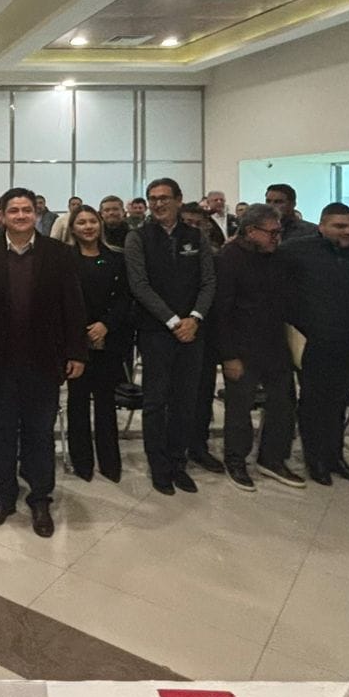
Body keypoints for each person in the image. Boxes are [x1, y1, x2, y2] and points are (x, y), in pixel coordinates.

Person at [0, 188, 86, 536]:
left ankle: (40, 497)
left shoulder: (59, 253)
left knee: (40, 432)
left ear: (36, 214)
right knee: (1, 430)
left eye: (26, 210)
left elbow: (73, 305)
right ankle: (5, 493)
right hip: (0, 362)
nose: (21, 216)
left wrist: (76, 352)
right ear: (2, 215)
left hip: (45, 360)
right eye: (14, 210)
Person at [125, 177, 218, 495]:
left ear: (179, 200)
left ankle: (178, 462)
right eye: (153, 198)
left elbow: (208, 282)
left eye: (164, 197)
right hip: (156, 332)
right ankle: (159, 466)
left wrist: (195, 318)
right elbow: (139, 285)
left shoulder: (195, 236)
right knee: (156, 402)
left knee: (185, 401)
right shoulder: (138, 237)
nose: (158, 203)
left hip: (193, 331)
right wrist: (174, 321)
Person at [280, 203, 349, 486]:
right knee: (313, 403)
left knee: (339, 401)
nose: (347, 231)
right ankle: (315, 460)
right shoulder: (295, 251)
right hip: (309, 340)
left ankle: (335, 457)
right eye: (339, 226)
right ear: (322, 226)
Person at [213, 204, 304, 491]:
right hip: (241, 347)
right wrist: (229, 355)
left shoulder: (278, 258)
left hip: (275, 343)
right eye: (272, 232)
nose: (277, 237)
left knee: (283, 404)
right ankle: (236, 460)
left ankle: (272, 458)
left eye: (279, 232)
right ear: (251, 231)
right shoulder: (228, 259)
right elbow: (221, 311)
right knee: (239, 409)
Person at [66, 205, 131, 483]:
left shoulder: (117, 258)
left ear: (100, 224)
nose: (88, 227)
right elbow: (61, 300)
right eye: (81, 222)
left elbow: (125, 298)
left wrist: (105, 325)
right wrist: (80, 331)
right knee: (77, 402)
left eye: (92, 221)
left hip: (108, 340)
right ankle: (82, 462)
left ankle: (109, 462)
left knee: (106, 403)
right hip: (76, 342)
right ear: (73, 228)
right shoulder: (64, 259)